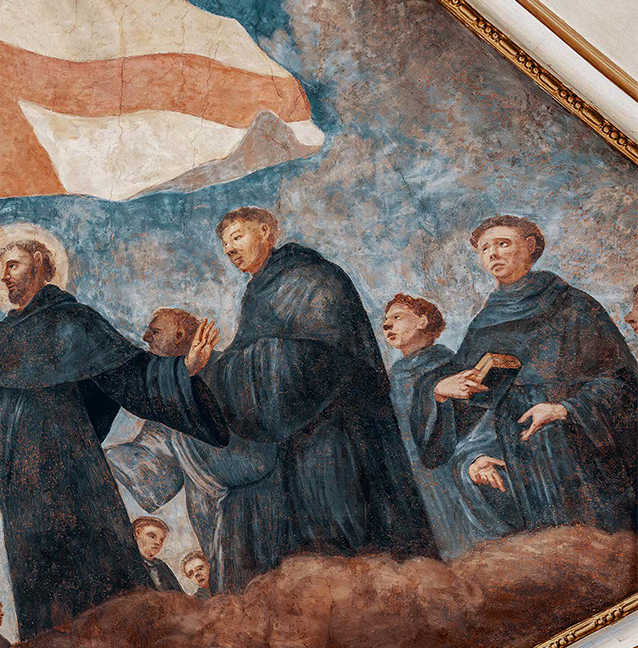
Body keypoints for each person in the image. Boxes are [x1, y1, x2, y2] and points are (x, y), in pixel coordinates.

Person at [0, 230, 227, 639]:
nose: (4, 276)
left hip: (69, 464)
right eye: (1, 268)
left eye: (13, 265)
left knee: (92, 560)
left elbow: (128, 373)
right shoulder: (3, 335)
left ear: (40, 263)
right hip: (20, 481)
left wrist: (184, 369)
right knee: (38, 571)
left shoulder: (75, 321)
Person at [188, 207, 436, 571]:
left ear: (266, 232)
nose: (230, 249)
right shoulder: (256, 293)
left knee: (358, 534)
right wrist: (210, 367)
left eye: (237, 237)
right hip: (296, 434)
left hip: (341, 428)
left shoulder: (315, 277)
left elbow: (330, 354)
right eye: (225, 244)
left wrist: (243, 365)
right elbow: (246, 355)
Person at [413, 216, 637, 532]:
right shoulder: (484, 323)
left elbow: (623, 382)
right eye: (484, 248)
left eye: (503, 243)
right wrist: (440, 392)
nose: (493, 254)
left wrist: (564, 409)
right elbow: (470, 404)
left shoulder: (575, 307)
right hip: (518, 458)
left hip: (577, 454)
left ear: (530, 246)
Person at [107, 306, 279, 594]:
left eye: (154, 331)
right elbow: (155, 464)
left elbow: (258, 448)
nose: (146, 338)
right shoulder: (173, 390)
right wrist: (105, 460)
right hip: (209, 510)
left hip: (252, 502)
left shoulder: (227, 371)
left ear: (179, 336)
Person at [383, 294, 510, 558]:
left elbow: (479, 420)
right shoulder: (395, 376)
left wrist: (479, 456)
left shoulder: (451, 366)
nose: (387, 325)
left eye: (397, 317)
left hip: (446, 477)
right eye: (385, 320)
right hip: (411, 481)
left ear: (422, 321)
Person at [132, 517, 184, 592]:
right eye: (152, 536)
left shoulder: (161, 565)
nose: (157, 543)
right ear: (138, 532)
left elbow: (179, 593)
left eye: (161, 540)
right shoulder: (131, 562)